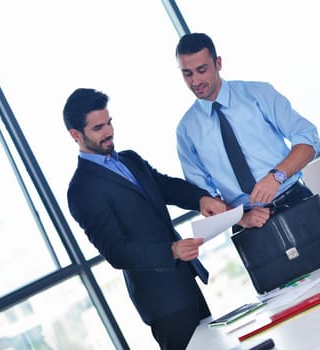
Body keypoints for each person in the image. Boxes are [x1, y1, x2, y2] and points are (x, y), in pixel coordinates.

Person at [63, 88, 228, 350]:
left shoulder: (129, 159)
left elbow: (164, 186)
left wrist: (200, 199)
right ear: (76, 134)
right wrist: (170, 251)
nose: (108, 132)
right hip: (161, 302)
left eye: (109, 123)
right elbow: (116, 251)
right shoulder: (82, 189)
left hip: (185, 283)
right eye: (98, 128)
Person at [174, 32, 320, 230]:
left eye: (202, 70)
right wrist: (242, 218)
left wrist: (276, 176)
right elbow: (203, 196)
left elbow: (308, 140)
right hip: (247, 225)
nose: (195, 81)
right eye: (187, 73)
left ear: (218, 63)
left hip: (294, 200)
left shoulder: (259, 94)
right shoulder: (186, 130)